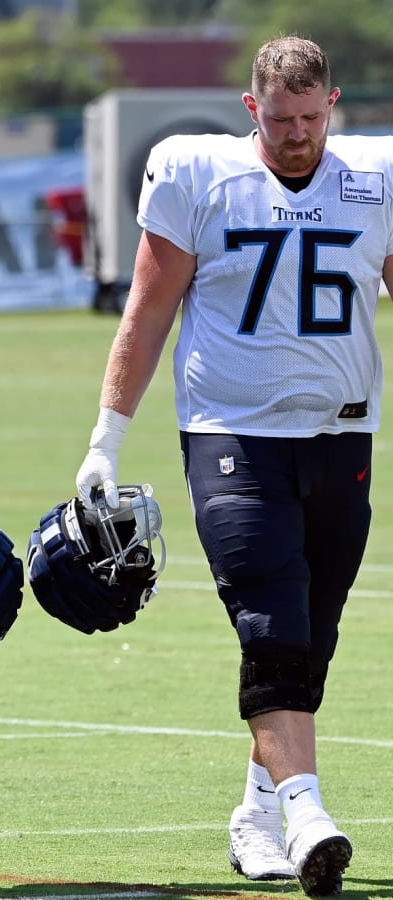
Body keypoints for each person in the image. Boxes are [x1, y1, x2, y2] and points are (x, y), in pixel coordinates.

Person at [75, 35, 388, 897]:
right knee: (269, 617)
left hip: (340, 437)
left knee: (311, 640)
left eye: (309, 117)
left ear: (334, 104)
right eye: (279, 119)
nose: (295, 136)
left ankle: (255, 813)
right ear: (252, 109)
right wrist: (106, 437)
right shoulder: (198, 175)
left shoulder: (374, 182)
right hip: (230, 436)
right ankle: (308, 810)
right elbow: (147, 310)